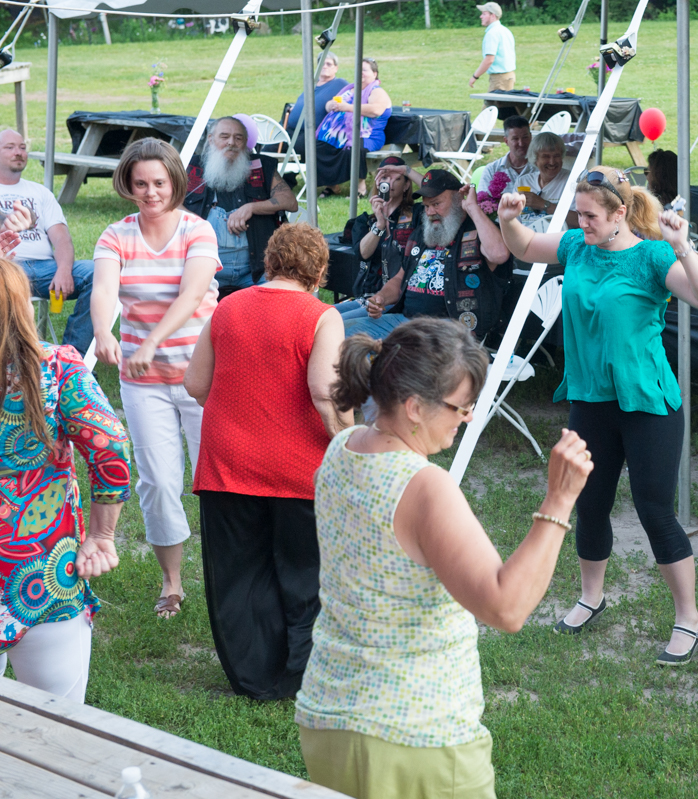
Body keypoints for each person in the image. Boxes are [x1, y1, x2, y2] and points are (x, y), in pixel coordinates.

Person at [295, 318, 593, 799]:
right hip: (417, 739)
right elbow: (506, 607)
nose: (468, 417)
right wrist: (559, 500)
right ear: (414, 407)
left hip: (328, 718)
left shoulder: (340, 450)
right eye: (461, 406)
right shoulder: (424, 487)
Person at [496, 166, 698, 665]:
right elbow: (526, 246)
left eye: (591, 216)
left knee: (654, 510)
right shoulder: (577, 247)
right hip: (592, 401)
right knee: (590, 503)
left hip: (648, 404)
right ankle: (591, 597)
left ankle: (689, 618)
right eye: (578, 214)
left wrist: (683, 247)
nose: (582, 223)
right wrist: (508, 220)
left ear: (620, 213)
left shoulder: (651, 256)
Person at [185, 223, 352, 701]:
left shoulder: (228, 306)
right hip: (299, 466)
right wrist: (350, 444)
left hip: (227, 463)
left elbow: (195, 384)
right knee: (305, 574)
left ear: (269, 261)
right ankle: (302, 675)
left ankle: (252, 679)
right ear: (319, 271)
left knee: (238, 573)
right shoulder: (322, 316)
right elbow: (324, 392)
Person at [91, 138, 221, 620]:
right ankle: (172, 583)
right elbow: (104, 289)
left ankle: (227, 576)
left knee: (216, 482)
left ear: (175, 183)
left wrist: (149, 343)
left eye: (159, 183)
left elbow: (192, 295)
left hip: (203, 377)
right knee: (159, 484)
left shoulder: (197, 230)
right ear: (128, 184)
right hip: (144, 383)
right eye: (141, 183)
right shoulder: (116, 235)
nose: (150, 193)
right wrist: (103, 330)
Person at [0, 257, 131, 702]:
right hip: (42, 577)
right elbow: (112, 448)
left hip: (41, 576)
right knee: (58, 725)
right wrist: (102, 535)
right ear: (23, 305)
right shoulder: (56, 368)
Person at [346, 169, 512, 341]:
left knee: (399, 350)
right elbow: (399, 279)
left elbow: (499, 255)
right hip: (406, 321)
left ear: (458, 199)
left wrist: (472, 208)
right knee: (342, 332)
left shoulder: (479, 231)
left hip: (450, 328)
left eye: (436, 204)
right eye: (426, 206)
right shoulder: (422, 234)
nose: (430, 212)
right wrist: (381, 297)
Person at [0, 128, 95, 355]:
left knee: (98, 272)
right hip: (6, 267)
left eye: (22, 147)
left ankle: (72, 357)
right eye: (10, 147)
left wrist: (64, 269)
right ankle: (16, 360)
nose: (18, 152)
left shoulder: (40, 193)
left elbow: (61, 238)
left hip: (45, 269)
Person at [184, 116, 297, 298]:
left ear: (245, 142)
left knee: (281, 300)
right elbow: (168, 204)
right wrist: (200, 224)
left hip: (256, 270)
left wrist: (250, 208)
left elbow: (289, 201)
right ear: (211, 139)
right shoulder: (190, 167)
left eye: (238, 138)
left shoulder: (261, 166)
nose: (231, 143)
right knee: (190, 303)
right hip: (204, 269)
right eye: (224, 136)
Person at [335, 156, 423, 323]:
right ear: (377, 182)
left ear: (406, 185)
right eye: (384, 177)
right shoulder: (366, 221)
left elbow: (438, 192)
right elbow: (363, 254)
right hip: (368, 296)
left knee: (339, 324)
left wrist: (407, 170)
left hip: (399, 298)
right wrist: (380, 224)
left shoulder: (417, 215)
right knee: (322, 315)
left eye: (396, 178)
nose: (389, 182)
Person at [310, 57, 392, 198]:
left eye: (364, 70)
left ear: (374, 74)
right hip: (341, 134)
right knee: (320, 145)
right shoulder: (349, 89)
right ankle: (331, 185)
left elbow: (376, 110)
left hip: (368, 136)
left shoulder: (376, 91)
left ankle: (360, 187)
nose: (360, 72)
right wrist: (331, 105)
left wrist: (347, 107)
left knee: (353, 146)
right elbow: (330, 104)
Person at [285, 53, 349, 137]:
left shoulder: (340, 84)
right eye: (321, 63)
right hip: (288, 128)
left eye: (329, 64)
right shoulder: (312, 84)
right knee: (269, 142)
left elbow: (353, 96)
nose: (324, 66)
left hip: (310, 135)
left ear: (336, 68)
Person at [478, 115, 534, 194]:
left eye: (525, 137)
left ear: (531, 137)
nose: (521, 143)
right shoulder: (492, 170)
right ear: (506, 141)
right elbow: (482, 199)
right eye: (515, 139)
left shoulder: (540, 169)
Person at [469, 2, 516, 94]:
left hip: (499, 79)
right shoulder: (505, 30)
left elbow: (489, 59)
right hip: (509, 76)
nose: (481, 16)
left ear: (493, 16)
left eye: (484, 14)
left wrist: (475, 76)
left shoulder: (492, 33)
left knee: (492, 103)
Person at [520, 131, 569, 215]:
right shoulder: (523, 182)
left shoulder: (571, 181)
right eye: (546, 156)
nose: (552, 162)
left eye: (556, 156)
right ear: (535, 159)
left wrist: (543, 204)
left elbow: (580, 219)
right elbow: (512, 217)